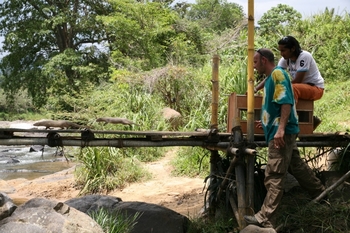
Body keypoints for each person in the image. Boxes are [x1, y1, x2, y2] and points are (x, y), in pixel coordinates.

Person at [243, 48, 326, 229]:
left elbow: (287, 102)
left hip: (281, 134)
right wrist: (267, 123)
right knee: (297, 166)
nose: (254, 66)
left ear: (264, 60)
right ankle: (321, 193)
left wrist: (279, 129)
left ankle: (265, 217)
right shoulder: (273, 77)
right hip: (282, 131)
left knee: (274, 174)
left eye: (256, 62)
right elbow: (276, 106)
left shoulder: (278, 75)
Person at [254, 36, 324, 130]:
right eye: (280, 51)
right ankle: (303, 119)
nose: (281, 54)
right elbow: (272, 74)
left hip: (315, 88)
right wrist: (256, 88)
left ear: (293, 48)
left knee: (290, 88)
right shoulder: (285, 59)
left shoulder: (304, 56)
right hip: (301, 88)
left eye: (284, 50)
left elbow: (298, 80)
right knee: (282, 89)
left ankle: (288, 119)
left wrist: (281, 87)